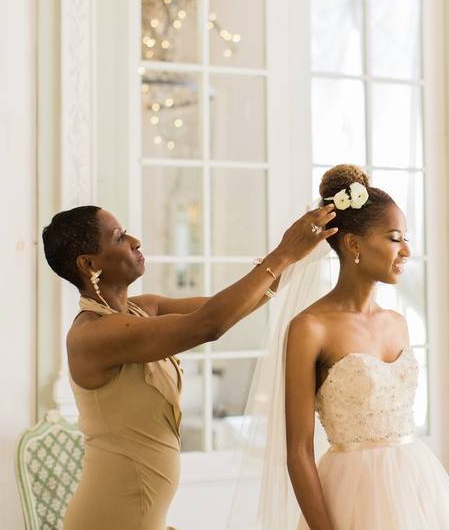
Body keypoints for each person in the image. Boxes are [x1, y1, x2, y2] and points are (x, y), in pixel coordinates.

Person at [41, 204, 336, 530]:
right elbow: (209, 324)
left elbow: (233, 306)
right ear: (89, 263)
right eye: (119, 237)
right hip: (112, 518)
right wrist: (283, 254)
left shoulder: (144, 309)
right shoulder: (93, 336)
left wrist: (302, 253)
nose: (136, 240)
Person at [240, 165, 449, 529]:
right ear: (353, 244)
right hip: (350, 498)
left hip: (418, 490)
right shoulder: (310, 328)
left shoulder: (396, 323)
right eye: (396, 238)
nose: (407, 250)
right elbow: (298, 452)